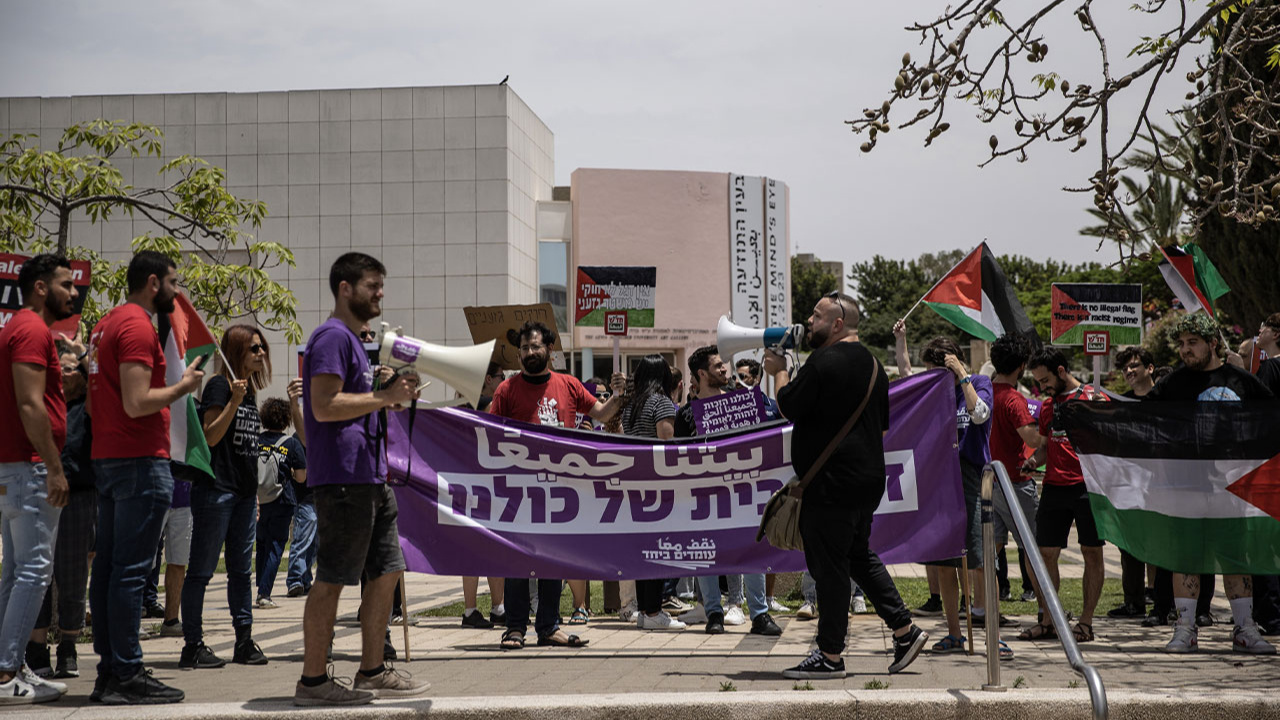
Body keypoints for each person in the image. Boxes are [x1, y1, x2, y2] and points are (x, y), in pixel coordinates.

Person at [765, 291, 927, 678]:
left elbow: (786, 404)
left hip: (829, 484)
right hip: (866, 481)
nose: (809, 320)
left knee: (830, 569)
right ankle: (905, 631)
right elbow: (882, 427)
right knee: (857, 556)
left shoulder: (824, 361)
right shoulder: (874, 365)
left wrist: (778, 371)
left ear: (837, 324)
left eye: (817, 316)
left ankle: (830, 655)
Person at [295, 252, 429, 705]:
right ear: (345, 288)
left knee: (388, 569)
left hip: (370, 476)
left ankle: (371, 670)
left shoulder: (351, 340)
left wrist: (388, 398)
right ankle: (313, 681)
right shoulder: (332, 337)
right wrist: (381, 395)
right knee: (333, 577)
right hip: (345, 478)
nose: (380, 293)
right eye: (372, 285)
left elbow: (355, 401)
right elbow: (323, 406)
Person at [88, 250, 203, 704]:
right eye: (174, 282)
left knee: (112, 570)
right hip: (138, 461)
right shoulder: (136, 325)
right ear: (153, 283)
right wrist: (184, 386)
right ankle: (128, 673)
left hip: (112, 459)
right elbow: (137, 401)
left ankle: (111, 671)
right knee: (131, 573)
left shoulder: (106, 323)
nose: (177, 292)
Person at [489, 320, 625, 650]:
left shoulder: (569, 384)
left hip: (561, 491)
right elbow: (489, 434)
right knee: (517, 560)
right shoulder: (506, 390)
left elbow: (603, 415)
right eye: (524, 348)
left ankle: (549, 626)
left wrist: (619, 394)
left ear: (549, 349)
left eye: (535, 347)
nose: (529, 353)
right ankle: (515, 627)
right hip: (519, 491)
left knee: (555, 560)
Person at [1145, 314, 1276, 655]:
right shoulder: (1174, 383)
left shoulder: (1240, 381)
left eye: (1193, 343)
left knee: (1236, 559)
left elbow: (1271, 416)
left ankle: (1245, 629)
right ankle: (1185, 629)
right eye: (1182, 344)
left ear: (1212, 344)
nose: (1185, 350)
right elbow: (1141, 417)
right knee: (1186, 558)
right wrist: (1099, 411)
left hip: (1233, 489)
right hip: (1187, 488)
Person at [895, 329, 1001, 656]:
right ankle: (954, 632)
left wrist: (962, 376)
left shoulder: (978, 385)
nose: (930, 378)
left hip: (972, 480)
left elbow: (980, 415)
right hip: (940, 481)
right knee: (944, 562)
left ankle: (993, 636)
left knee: (980, 561)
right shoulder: (932, 390)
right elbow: (905, 376)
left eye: (935, 371)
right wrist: (901, 341)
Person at [0, 254, 77, 704]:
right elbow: (30, 405)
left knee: (15, 573)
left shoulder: (19, 329)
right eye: (67, 284)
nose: (74, 292)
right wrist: (53, 466)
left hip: (16, 468)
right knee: (33, 571)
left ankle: (12, 666)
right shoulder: (30, 329)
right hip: (29, 468)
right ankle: (8, 673)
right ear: (42, 288)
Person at [178, 325, 270, 670]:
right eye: (254, 349)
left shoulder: (248, 392)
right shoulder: (221, 385)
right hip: (216, 492)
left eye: (262, 348)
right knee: (201, 571)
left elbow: (245, 449)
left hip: (244, 497)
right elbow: (211, 437)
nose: (261, 354)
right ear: (236, 353)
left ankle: (243, 641)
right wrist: (232, 399)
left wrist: (256, 496)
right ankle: (193, 645)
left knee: (240, 573)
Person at [675, 345, 781, 636]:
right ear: (702, 373)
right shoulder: (685, 416)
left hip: (744, 491)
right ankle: (713, 613)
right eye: (718, 366)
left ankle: (759, 614)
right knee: (707, 551)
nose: (725, 369)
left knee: (753, 548)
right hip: (705, 494)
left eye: (724, 365)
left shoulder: (743, 402)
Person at [1017, 347, 1106, 645]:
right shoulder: (1046, 407)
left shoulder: (1094, 398)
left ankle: (1086, 623)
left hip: (1087, 489)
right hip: (1054, 487)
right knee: (1044, 556)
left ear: (1061, 371)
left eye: (1044, 381)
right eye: (1038, 382)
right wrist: (1032, 462)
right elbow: (1044, 447)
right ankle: (1049, 620)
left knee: (1091, 553)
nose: (1041, 387)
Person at [27, 342, 95, 680]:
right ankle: (36, 648)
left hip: (78, 500)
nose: (61, 374)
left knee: (71, 576)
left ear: (82, 378)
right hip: (39, 497)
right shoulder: (45, 405)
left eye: (68, 369)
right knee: (37, 575)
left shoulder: (89, 407)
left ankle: (68, 647)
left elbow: (101, 381)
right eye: (59, 368)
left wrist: (85, 356)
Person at [617, 355, 692, 631]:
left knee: (643, 548)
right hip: (659, 483)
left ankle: (644, 612)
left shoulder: (631, 405)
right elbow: (666, 437)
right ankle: (653, 611)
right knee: (660, 547)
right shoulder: (661, 402)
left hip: (637, 482)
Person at [986, 333, 1043, 619]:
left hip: (988, 484)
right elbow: (1031, 436)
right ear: (1021, 366)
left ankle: (987, 608)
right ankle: (1047, 610)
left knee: (989, 552)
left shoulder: (982, 392)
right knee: (1033, 549)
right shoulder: (1014, 400)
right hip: (1015, 484)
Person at [255, 398, 307, 608]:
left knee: (261, 545)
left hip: (259, 500)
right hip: (282, 501)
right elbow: (302, 477)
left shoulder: (256, 441)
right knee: (276, 546)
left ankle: (261, 587)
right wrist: (292, 473)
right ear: (286, 420)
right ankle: (264, 593)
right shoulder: (292, 444)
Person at [284, 377, 317, 598]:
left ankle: (305, 579)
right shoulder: (301, 437)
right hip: (305, 498)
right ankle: (295, 579)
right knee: (303, 538)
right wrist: (294, 404)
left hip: (319, 497)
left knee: (313, 543)